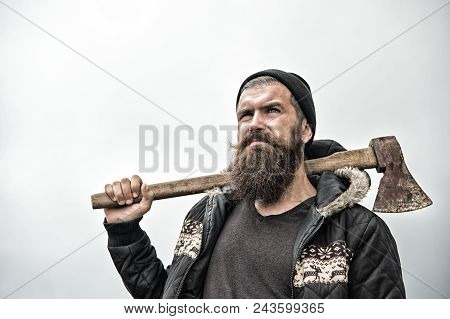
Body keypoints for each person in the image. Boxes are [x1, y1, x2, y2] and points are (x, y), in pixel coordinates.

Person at [103, 69, 406, 298]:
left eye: (272, 110)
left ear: (305, 131)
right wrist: (124, 231)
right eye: (245, 114)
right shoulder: (207, 216)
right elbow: (166, 300)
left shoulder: (357, 231)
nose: (255, 123)